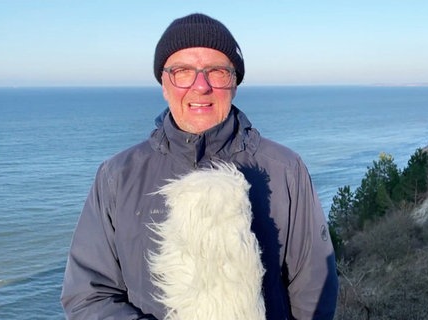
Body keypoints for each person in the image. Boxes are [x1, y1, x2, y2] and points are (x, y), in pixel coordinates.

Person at [61, 13, 338, 319]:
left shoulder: (285, 169)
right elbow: (87, 294)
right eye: (182, 71)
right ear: (163, 82)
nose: (201, 86)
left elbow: (313, 287)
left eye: (217, 71)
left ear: (234, 82)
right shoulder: (118, 176)